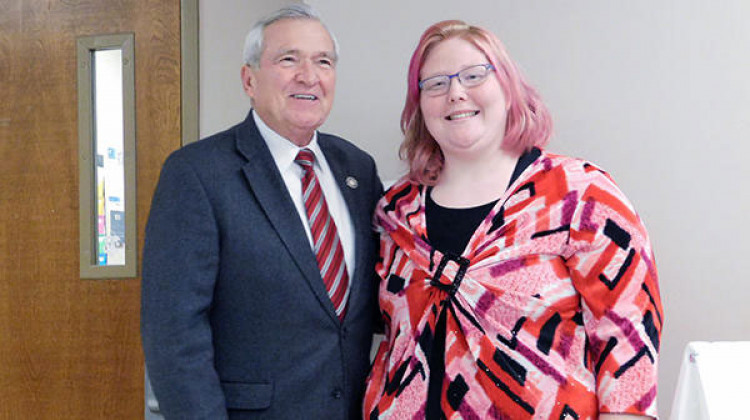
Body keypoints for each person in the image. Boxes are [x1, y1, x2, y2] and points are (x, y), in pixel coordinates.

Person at [363, 20, 663, 420]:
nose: (455, 92)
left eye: (474, 75)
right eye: (435, 84)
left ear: (508, 88)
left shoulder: (580, 196)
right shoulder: (396, 212)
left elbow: (629, 342)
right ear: (420, 106)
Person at [141, 5, 382, 419]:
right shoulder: (197, 173)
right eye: (288, 59)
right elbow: (174, 335)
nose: (308, 75)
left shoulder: (357, 169)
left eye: (322, 61)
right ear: (249, 79)